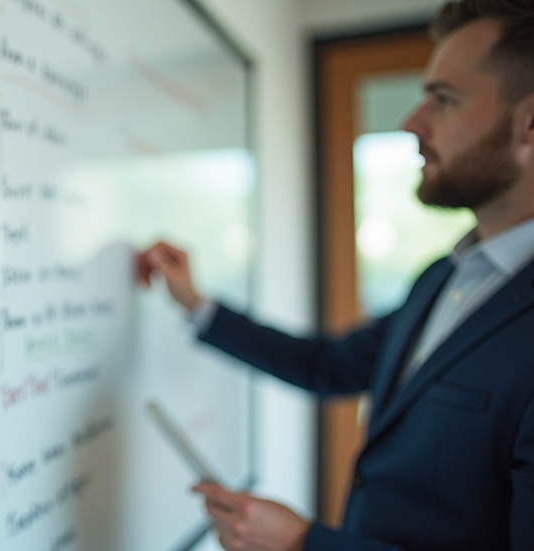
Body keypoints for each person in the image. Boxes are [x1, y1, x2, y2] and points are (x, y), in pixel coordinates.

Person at [136, 1, 534, 550]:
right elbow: (326, 366)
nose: (411, 122)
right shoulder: (442, 278)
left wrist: (306, 543)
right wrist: (197, 305)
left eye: (444, 100)